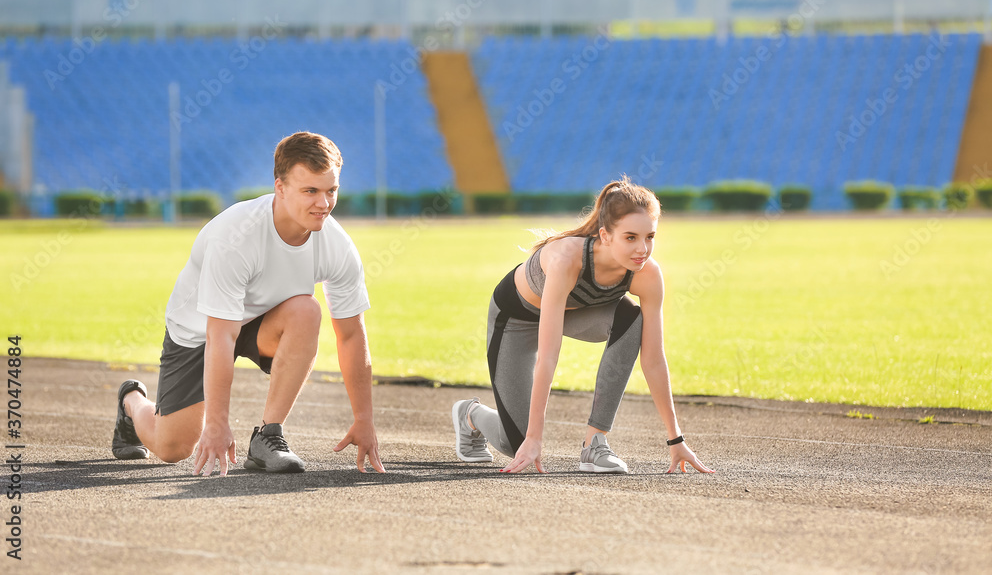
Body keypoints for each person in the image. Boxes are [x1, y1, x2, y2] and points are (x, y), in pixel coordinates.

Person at [112, 131, 385, 476]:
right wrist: (217, 423)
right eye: (310, 191)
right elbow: (220, 336)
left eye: (331, 190)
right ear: (280, 187)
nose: (323, 204)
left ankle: (268, 436)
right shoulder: (236, 236)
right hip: (200, 328)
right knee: (173, 448)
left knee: (306, 310)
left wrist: (363, 419)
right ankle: (131, 402)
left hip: (260, 321)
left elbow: (350, 336)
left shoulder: (337, 246)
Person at [452, 176, 714, 475]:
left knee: (631, 319)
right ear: (605, 236)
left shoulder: (647, 274)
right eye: (630, 237)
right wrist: (535, 438)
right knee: (516, 443)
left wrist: (675, 439)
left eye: (650, 237)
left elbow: (654, 359)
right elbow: (548, 357)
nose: (642, 248)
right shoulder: (567, 259)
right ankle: (470, 414)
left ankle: (595, 444)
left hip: (574, 313)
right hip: (515, 319)